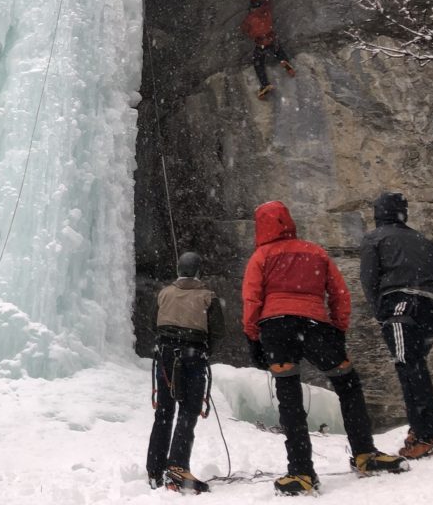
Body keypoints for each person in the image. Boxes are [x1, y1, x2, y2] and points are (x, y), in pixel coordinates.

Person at [242, 201, 408, 496]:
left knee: (289, 398)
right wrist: (338, 329)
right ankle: (365, 454)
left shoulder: (261, 256)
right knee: (347, 384)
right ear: (288, 221)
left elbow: (251, 300)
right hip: (315, 325)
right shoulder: (314, 251)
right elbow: (340, 292)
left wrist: (253, 336)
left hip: (276, 327)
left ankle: (301, 471)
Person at [360, 191, 433, 459]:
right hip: (432, 308)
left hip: (401, 305)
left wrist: (380, 311)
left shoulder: (375, 238)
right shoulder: (423, 240)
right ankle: (424, 428)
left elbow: (369, 279)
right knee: (416, 366)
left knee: (409, 369)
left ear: (378, 213)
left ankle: (427, 434)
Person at [145, 251, 225, 493]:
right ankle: (178, 467)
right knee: (188, 411)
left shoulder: (163, 293)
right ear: (198, 271)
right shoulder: (208, 297)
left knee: (164, 412)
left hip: (166, 356)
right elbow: (218, 333)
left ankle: (155, 469)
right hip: (193, 356)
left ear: (179, 270)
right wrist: (203, 351)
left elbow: (153, 322)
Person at [240, 0, 295, 100]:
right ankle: (284, 61)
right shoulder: (266, 10)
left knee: (258, 63)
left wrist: (250, 30)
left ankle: (265, 84)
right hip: (271, 38)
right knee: (278, 49)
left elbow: (245, 29)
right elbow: (268, 2)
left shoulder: (250, 18)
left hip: (261, 43)